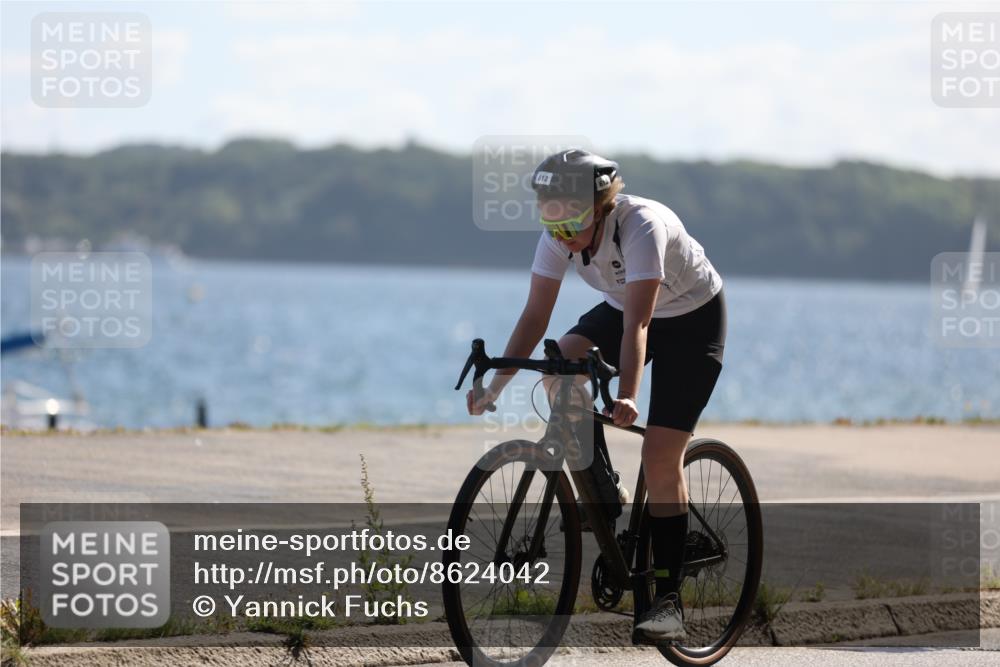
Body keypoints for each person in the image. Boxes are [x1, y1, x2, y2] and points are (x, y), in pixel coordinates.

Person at [466, 148, 726, 642]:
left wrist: (628, 394)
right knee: (558, 367)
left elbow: (640, 323)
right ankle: (603, 492)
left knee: (660, 453)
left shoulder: (640, 226)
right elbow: (534, 317)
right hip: (621, 309)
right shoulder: (558, 237)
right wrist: (495, 387)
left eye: (572, 221)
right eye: (551, 219)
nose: (562, 233)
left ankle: (668, 602)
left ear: (601, 207)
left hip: (691, 320)